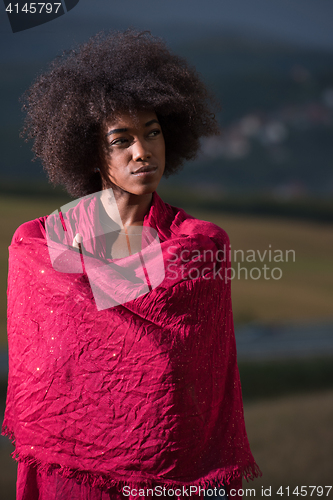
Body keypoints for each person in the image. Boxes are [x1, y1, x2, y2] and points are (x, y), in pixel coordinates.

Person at [2, 30, 261, 500]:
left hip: (172, 471)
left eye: (153, 133)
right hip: (72, 474)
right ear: (92, 151)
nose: (143, 151)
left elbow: (180, 371)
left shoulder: (199, 246)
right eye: (122, 140)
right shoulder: (38, 244)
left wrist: (82, 282)